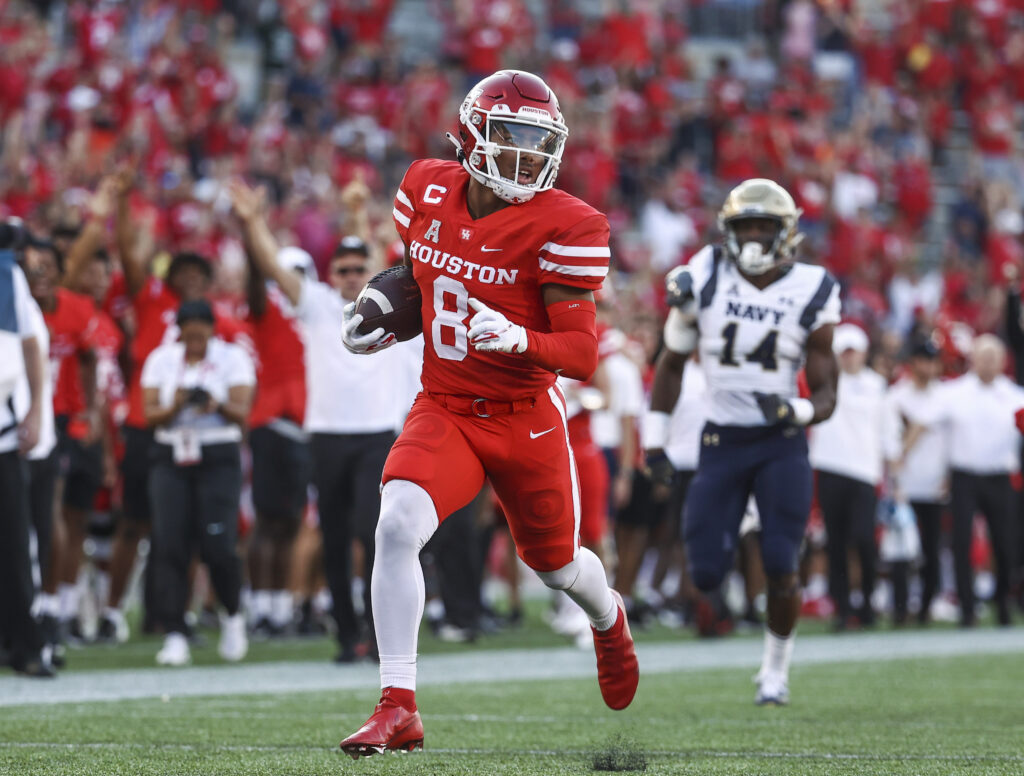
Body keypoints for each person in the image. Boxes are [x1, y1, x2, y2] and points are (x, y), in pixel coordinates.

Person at [336, 69, 639, 757]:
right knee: (396, 526)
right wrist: (383, 317)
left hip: (524, 415)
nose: (526, 156)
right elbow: (424, 281)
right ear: (472, 133)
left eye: (539, 142)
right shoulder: (426, 189)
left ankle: (608, 614)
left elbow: (582, 353)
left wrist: (523, 340)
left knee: (557, 566)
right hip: (445, 405)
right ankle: (398, 704)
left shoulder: (566, 223)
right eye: (511, 137)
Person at [644, 178, 840, 706]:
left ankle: (775, 670)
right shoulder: (703, 272)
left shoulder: (813, 287)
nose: (753, 237)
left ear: (786, 233)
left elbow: (826, 392)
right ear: (727, 231)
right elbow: (671, 362)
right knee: (705, 569)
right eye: (744, 226)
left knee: (781, 560)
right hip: (720, 439)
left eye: (763, 226)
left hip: (780, 442)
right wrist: (653, 442)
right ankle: (730, 600)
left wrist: (794, 409)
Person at [229, 186, 422, 663]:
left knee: (368, 531)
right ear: (331, 274)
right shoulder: (316, 304)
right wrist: (254, 221)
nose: (354, 276)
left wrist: (357, 210)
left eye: (360, 269)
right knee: (334, 539)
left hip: (377, 434)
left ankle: (379, 634)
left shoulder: (385, 307)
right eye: (345, 269)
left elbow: (382, 265)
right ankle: (346, 634)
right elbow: (274, 267)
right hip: (328, 437)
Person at [140, 299, 255, 666]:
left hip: (217, 452)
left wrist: (215, 404)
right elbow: (150, 415)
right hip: (171, 454)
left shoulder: (232, 357)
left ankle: (233, 614)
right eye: (187, 332)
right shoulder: (161, 360)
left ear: (211, 329)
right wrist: (175, 405)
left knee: (218, 542)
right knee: (170, 543)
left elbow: (242, 412)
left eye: (199, 332)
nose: (193, 339)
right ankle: (175, 631)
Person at [808, 323, 896, 630]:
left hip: (865, 472)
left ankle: (868, 601)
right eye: (843, 353)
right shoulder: (825, 383)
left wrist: (892, 472)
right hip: (831, 467)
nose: (848, 358)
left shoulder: (877, 385)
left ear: (863, 354)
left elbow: (887, 430)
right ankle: (843, 608)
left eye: (853, 353)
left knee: (863, 539)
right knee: (836, 542)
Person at [243, 245, 311, 638]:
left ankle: (281, 608)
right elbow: (255, 288)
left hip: (307, 425)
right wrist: (253, 246)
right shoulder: (267, 307)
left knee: (290, 522)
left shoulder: (320, 312)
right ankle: (260, 607)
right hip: (270, 423)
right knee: (267, 521)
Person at [932, 335, 1024, 626]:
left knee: (1005, 543)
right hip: (964, 476)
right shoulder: (953, 392)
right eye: (983, 356)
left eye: (993, 357)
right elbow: (932, 429)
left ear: (1002, 362)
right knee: (960, 541)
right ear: (973, 359)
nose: (987, 363)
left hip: (1000, 475)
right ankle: (967, 607)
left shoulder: (1014, 394)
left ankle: (1002, 602)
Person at [0, 232, 53, 676]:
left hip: (2, 432)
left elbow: (30, 346)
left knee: (15, 544)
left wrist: (35, 406)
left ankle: (25, 645)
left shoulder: (7, 274)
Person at [884, 336, 948, 624]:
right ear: (912, 363)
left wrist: (948, 475)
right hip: (904, 485)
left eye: (933, 360)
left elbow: (949, 441)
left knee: (932, 548)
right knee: (900, 550)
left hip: (934, 483)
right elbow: (888, 440)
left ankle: (925, 606)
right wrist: (893, 479)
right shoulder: (896, 396)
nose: (929, 366)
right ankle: (899, 609)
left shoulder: (945, 395)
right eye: (924, 360)